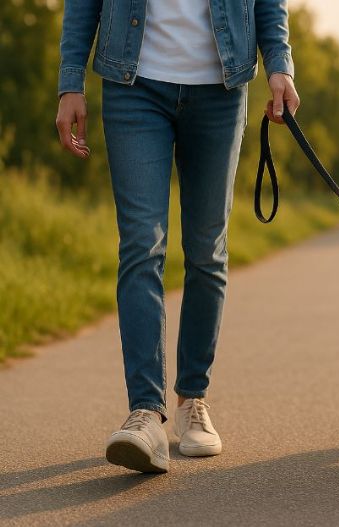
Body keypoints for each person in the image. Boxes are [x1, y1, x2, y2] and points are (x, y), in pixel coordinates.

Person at [55, 0, 300, 473]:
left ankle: (192, 400)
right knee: (140, 247)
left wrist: (279, 64)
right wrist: (71, 81)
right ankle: (145, 413)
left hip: (221, 87)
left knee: (208, 253)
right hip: (133, 83)